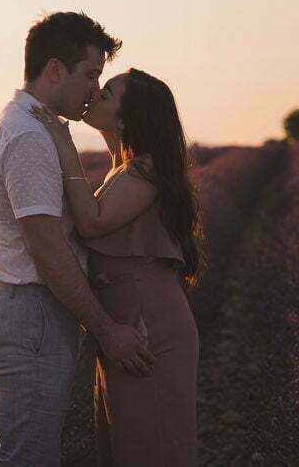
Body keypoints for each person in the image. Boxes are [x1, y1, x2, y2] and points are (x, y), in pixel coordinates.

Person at [0, 11, 155, 466]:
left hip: (31, 309)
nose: (95, 89)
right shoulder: (30, 136)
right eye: (90, 74)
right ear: (55, 69)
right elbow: (47, 250)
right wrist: (107, 331)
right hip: (30, 311)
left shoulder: (23, 123)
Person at [30, 68, 202, 465]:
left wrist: (62, 143)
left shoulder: (145, 169)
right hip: (128, 320)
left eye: (105, 94)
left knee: (151, 442)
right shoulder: (123, 168)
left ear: (125, 118)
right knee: (127, 440)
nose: (94, 94)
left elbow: (93, 221)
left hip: (149, 326)